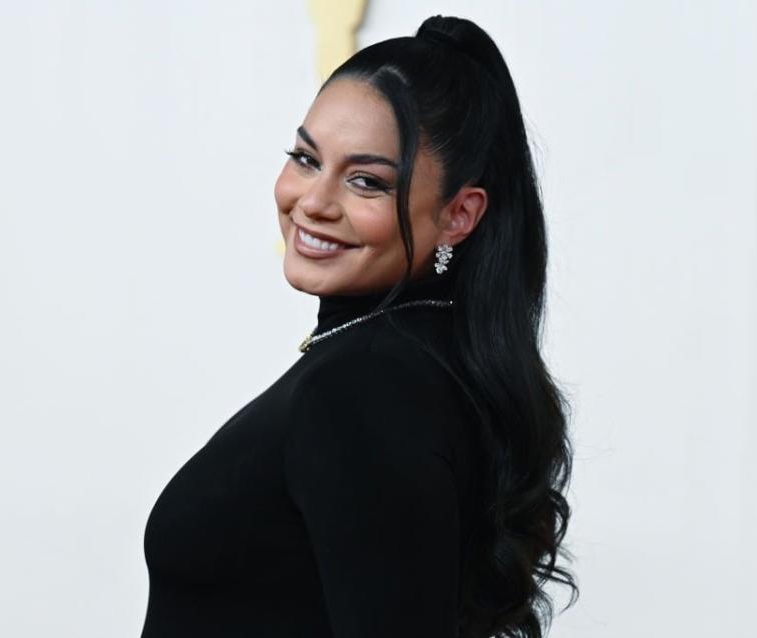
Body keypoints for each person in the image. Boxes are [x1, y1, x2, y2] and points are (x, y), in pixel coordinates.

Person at [140, 14, 577, 638]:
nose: (314, 202)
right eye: (306, 158)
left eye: (366, 181)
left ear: (459, 215)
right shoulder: (409, 364)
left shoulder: (364, 388)